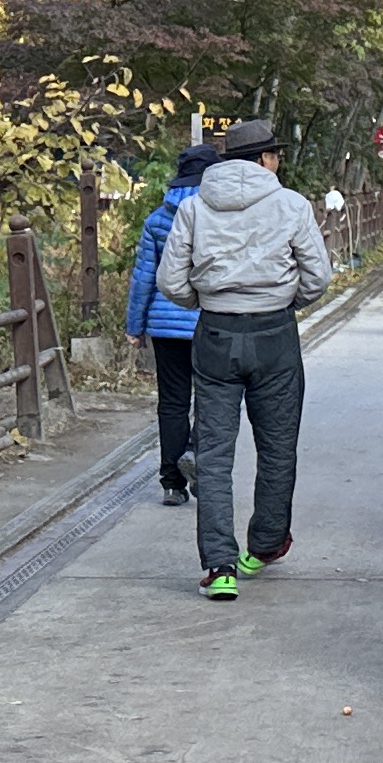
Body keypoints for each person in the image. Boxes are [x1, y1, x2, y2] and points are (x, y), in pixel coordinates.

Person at [161, 117, 329, 598]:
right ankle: (265, 544)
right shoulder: (291, 205)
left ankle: (220, 568)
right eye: (276, 154)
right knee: (277, 445)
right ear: (264, 159)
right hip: (275, 332)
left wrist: (207, 303)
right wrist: (283, 303)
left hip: (214, 331)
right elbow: (317, 276)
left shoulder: (194, 208)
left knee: (213, 453)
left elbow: (172, 281)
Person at [119, 142, 218, 506]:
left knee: (172, 402)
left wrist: (135, 325)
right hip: (212, 320)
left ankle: (172, 483)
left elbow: (143, 278)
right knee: (212, 397)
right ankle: (197, 456)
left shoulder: (158, 219)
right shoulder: (219, 215)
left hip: (165, 325)